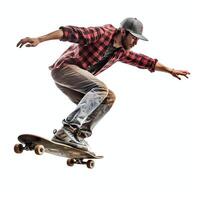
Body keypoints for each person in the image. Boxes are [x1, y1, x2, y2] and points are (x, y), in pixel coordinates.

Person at [17, 17, 190, 151]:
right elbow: (71, 32)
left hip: (74, 82)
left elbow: (144, 61)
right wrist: (39, 39)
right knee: (100, 89)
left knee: (108, 98)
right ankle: (70, 128)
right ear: (123, 32)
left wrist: (170, 70)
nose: (135, 43)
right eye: (134, 38)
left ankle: (74, 135)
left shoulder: (121, 51)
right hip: (64, 69)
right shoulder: (103, 33)